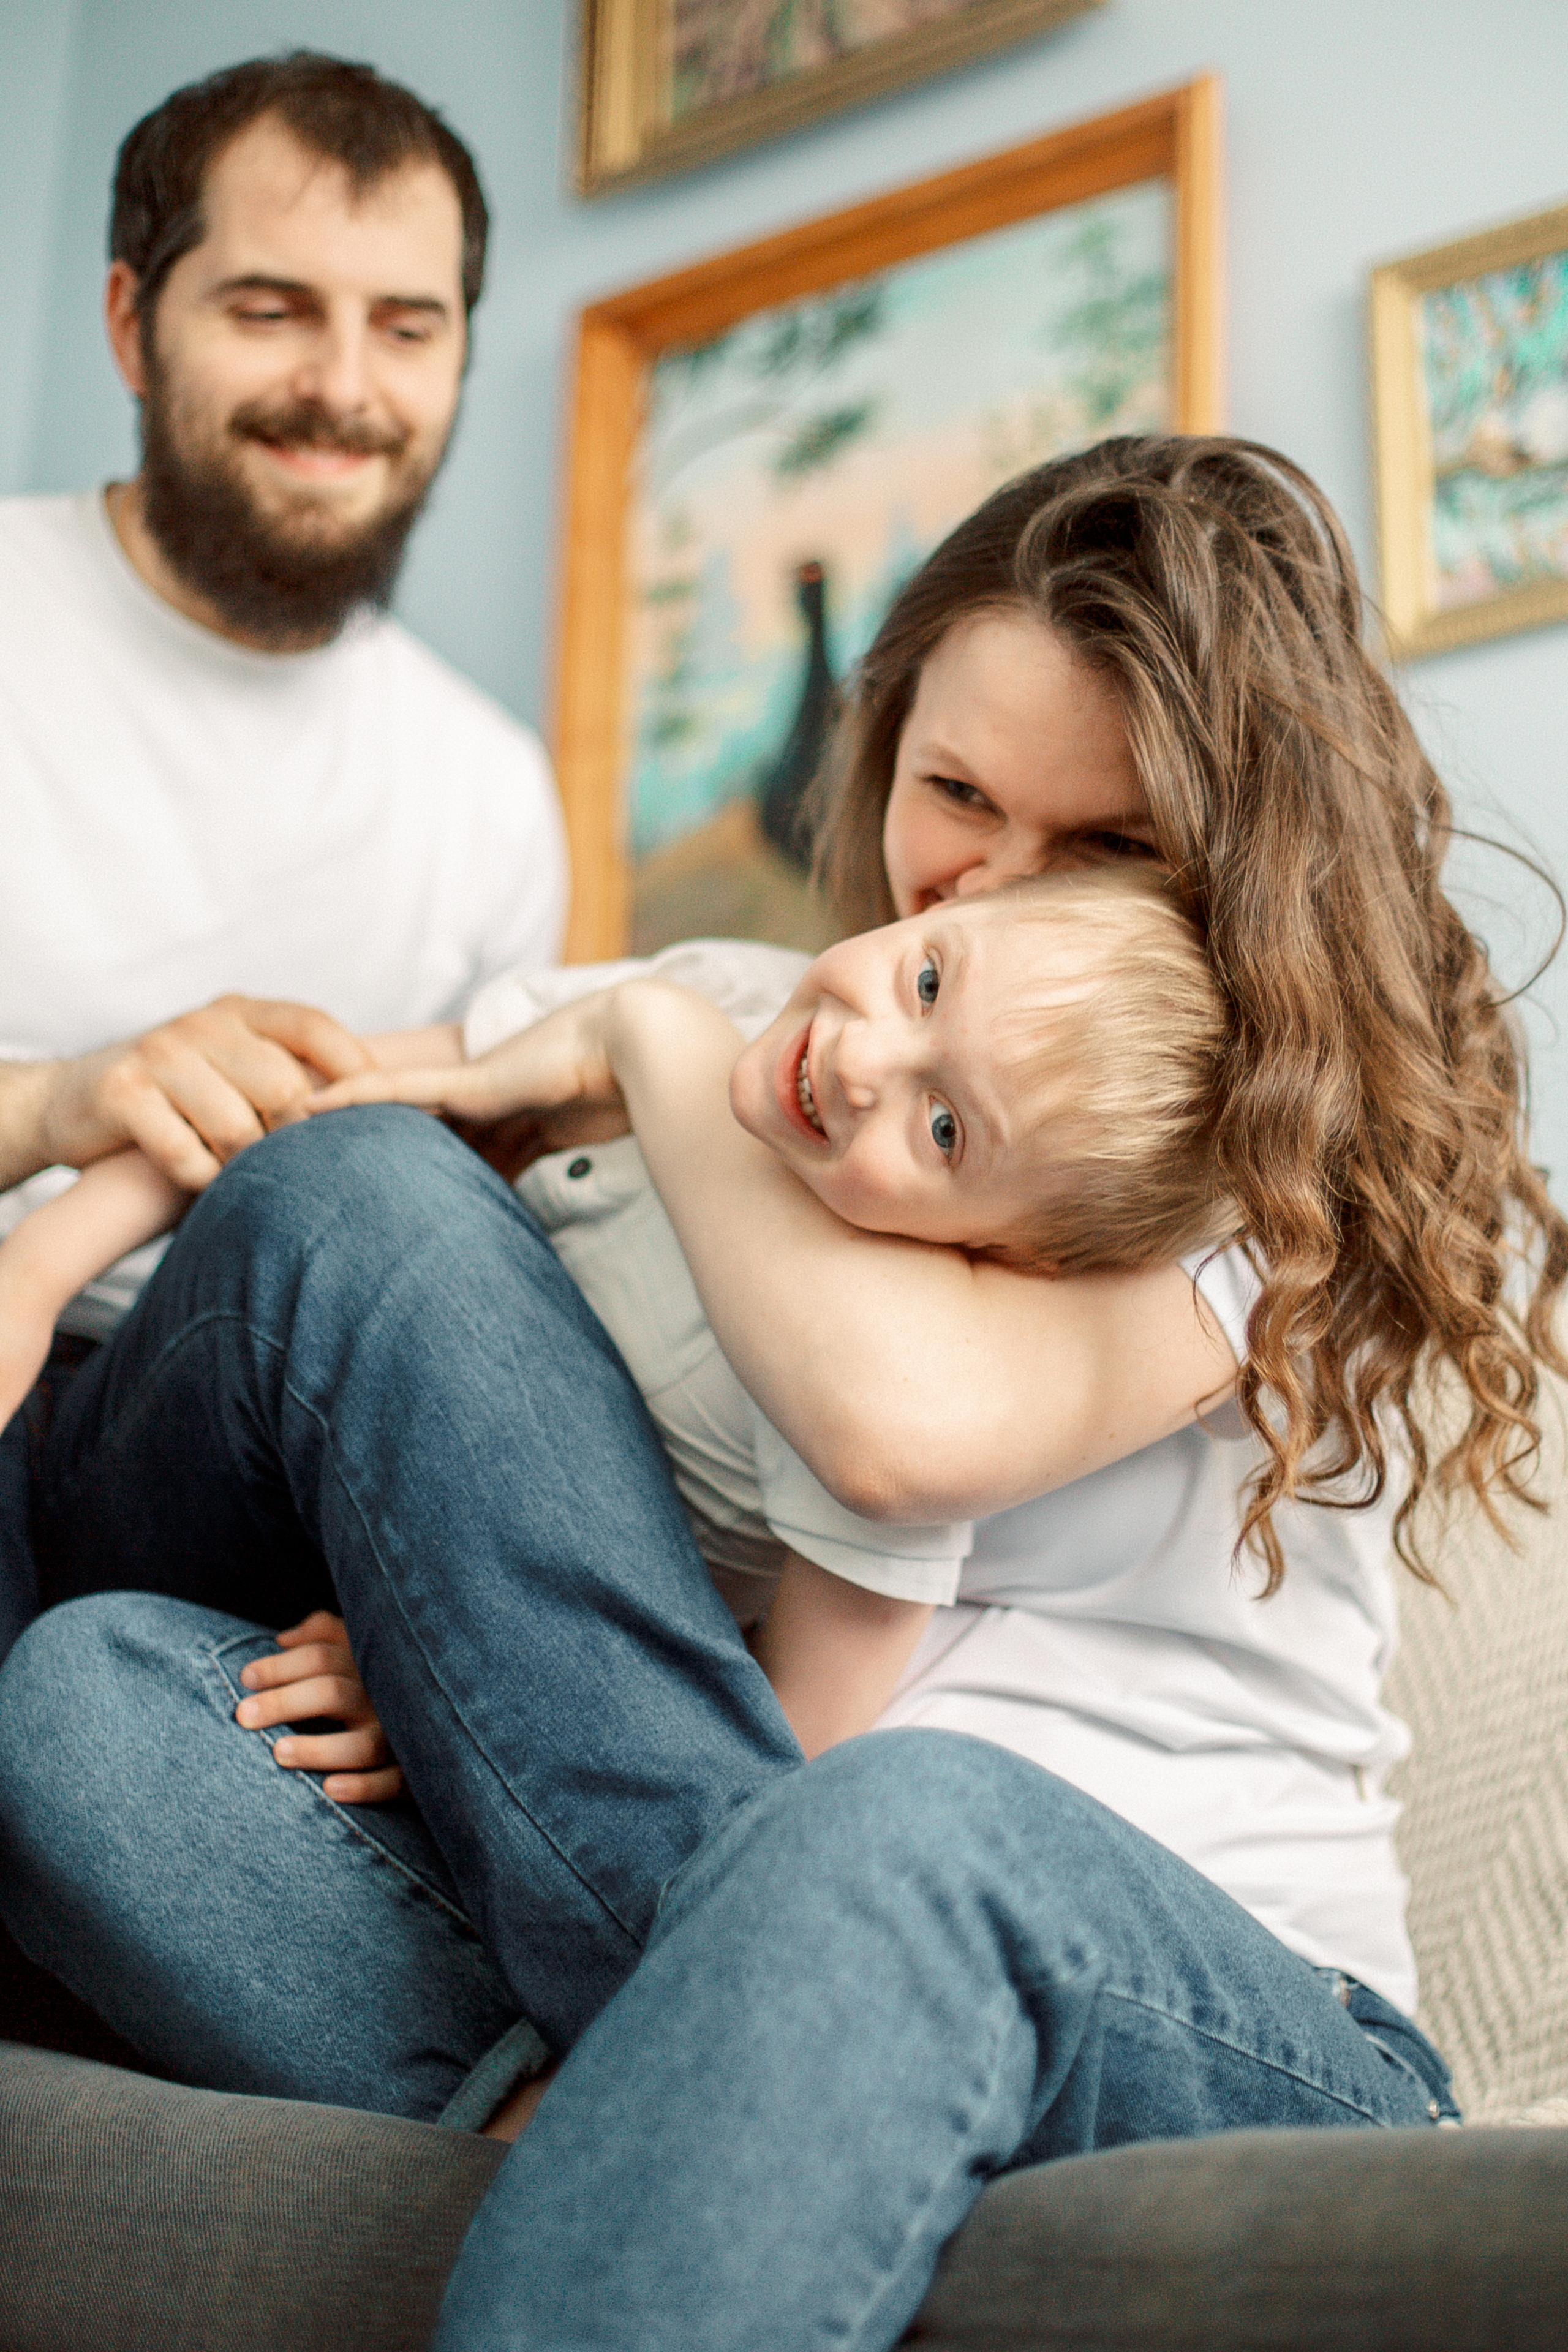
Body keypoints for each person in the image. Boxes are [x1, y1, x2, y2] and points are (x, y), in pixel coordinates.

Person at [1, 435, 1562, 2349]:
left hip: (1170, 1986)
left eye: (1107, 853)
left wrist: (654, 1043)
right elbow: (328, 1133)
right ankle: (698, 2134)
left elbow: (897, 1437)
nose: (992, 885)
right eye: (955, 796)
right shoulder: (789, 1008)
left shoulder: (1253, 1184)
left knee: (904, 1823)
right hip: (693, 1883)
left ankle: (670, 2114)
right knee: (92, 1722)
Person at [0, 871, 1232, 1760]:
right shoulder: (703, 1001)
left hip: (359, 1625)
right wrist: (36, 1269)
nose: (865, 1064)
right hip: (232, 1452)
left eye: (946, 1128)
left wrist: (457, 1683)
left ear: (996, 1256)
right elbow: (291, 1111)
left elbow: (762, 1748)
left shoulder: (866, 1370)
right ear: (938, 905)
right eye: (924, 978)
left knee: (83, 1724)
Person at [0, 51, 566, 1654]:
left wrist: (385, 1611)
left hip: (229, 1458)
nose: (345, 388)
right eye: (269, 309)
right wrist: (55, 1098)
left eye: (407, 327)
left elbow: (461, 1279)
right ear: (131, 323)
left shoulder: (491, 791)